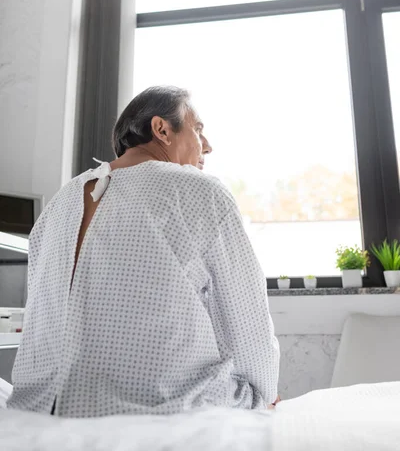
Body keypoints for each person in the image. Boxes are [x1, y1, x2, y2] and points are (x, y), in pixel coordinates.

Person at [7, 86, 279, 418]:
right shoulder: (199, 190)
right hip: (158, 409)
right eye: (198, 130)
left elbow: (38, 315)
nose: (207, 145)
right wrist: (261, 393)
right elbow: (246, 317)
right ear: (162, 129)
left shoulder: (61, 201)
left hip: (39, 409)